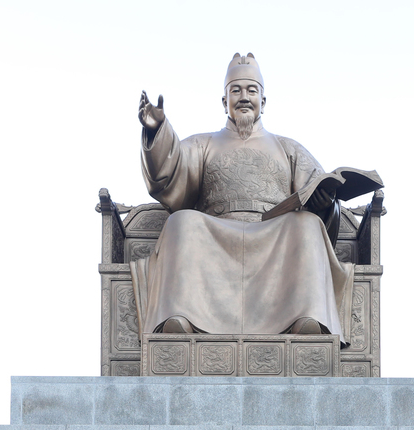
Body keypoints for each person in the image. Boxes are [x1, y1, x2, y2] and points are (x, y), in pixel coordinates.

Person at [135, 53, 361, 338]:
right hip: (217, 232)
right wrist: (157, 132)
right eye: (236, 90)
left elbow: (318, 189)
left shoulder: (288, 148)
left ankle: (305, 317)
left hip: (274, 233)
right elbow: (169, 171)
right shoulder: (203, 144)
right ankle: (182, 316)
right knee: (181, 222)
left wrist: (323, 204)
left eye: (252, 91)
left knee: (307, 225)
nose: (244, 97)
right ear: (224, 101)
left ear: (263, 101)